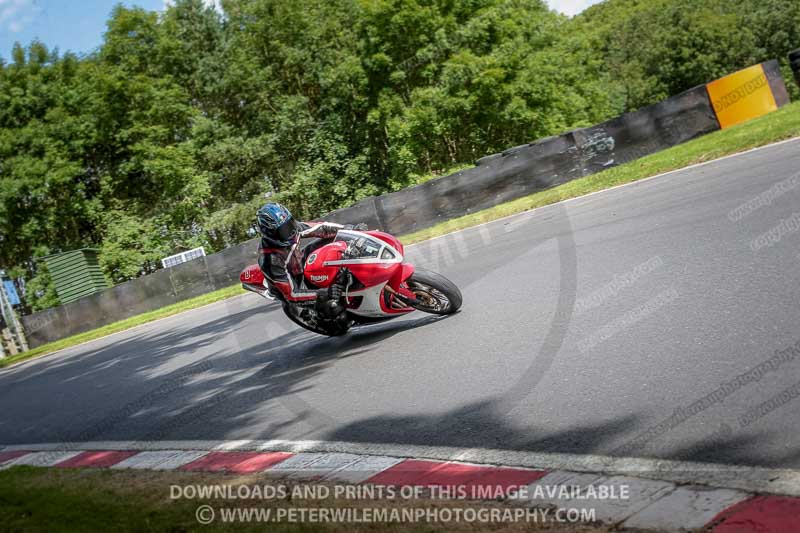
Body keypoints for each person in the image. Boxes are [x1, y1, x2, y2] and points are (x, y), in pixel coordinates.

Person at [255, 202, 365, 310]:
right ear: (270, 234)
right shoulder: (271, 260)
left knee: (330, 241)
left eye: (289, 223)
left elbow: (321, 228)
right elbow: (293, 295)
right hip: (292, 284)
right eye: (283, 230)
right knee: (333, 307)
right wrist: (325, 292)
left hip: (298, 261)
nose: (290, 231)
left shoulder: (292, 228)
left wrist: (349, 229)